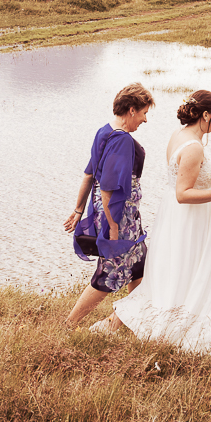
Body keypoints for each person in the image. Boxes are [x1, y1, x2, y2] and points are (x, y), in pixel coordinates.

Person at [112, 89, 211, 354]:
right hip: (192, 221)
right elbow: (183, 193)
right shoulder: (194, 147)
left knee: (184, 274)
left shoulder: (179, 136)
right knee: (209, 270)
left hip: (178, 220)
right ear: (206, 114)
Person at [63, 82, 154, 329]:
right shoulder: (122, 140)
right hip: (119, 218)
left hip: (123, 216)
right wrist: (113, 227)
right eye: (144, 113)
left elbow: (88, 175)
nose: (145, 120)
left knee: (138, 268)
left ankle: (125, 325)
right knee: (108, 275)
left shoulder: (104, 131)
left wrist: (78, 210)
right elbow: (107, 188)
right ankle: (69, 325)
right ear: (132, 110)